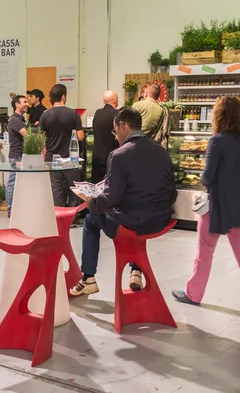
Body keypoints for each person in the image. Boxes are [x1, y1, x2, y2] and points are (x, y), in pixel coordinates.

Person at [172, 96, 240, 314]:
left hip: (216, 206)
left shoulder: (217, 141)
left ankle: (193, 294)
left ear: (218, 115)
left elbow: (207, 176)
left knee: (204, 251)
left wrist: (204, 181)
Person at [69, 107, 177, 296]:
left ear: (122, 125)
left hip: (134, 221)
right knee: (134, 212)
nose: (115, 135)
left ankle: (88, 278)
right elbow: (172, 193)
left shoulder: (119, 155)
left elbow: (111, 198)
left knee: (91, 220)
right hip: (161, 220)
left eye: (115, 130)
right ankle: (136, 269)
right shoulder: (161, 151)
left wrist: (91, 203)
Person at [39, 84, 85, 208]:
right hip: (70, 158)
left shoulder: (45, 115)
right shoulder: (73, 113)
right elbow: (80, 136)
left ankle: (59, 214)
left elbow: (40, 139)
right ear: (63, 96)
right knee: (74, 188)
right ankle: (73, 215)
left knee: (56, 188)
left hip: (51, 158)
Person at [5, 94, 29, 217]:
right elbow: (27, 135)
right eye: (24, 101)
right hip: (16, 156)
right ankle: (10, 209)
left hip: (20, 155)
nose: (27, 104)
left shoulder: (21, 119)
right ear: (17, 104)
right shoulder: (15, 120)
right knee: (13, 182)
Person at [91, 90, 119, 183]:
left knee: (97, 188)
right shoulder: (117, 114)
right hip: (112, 158)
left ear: (104, 101)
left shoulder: (97, 113)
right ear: (115, 100)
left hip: (97, 157)